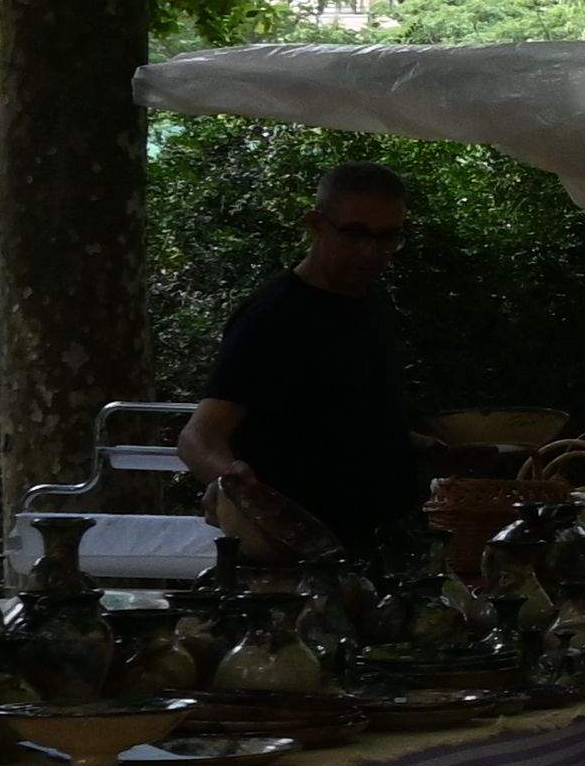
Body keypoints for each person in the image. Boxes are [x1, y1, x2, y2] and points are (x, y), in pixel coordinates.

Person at [179, 162, 435, 572]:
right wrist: (231, 480)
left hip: (382, 552)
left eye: (388, 237)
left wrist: (438, 447)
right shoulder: (274, 315)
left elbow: (348, 418)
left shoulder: (372, 303)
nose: (371, 251)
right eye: (354, 233)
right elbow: (197, 437)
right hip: (298, 563)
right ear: (315, 224)